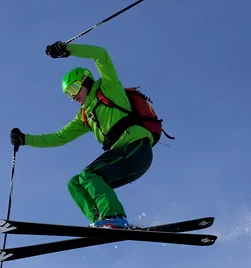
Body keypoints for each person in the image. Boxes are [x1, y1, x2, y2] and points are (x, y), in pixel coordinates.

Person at [9, 41, 154, 228]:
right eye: (68, 94)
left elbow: (101, 54)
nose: (72, 96)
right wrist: (25, 139)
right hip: (122, 157)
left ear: (85, 81)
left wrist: (68, 50)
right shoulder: (85, 116)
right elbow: (59, 137)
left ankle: (115, 217)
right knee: (75, 183)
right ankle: (101, 221)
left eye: (73, 89)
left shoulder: (108, 88)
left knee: (88, 174)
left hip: (136, 149)